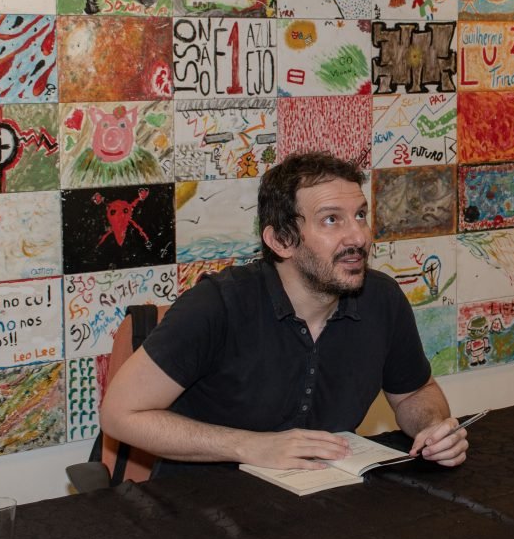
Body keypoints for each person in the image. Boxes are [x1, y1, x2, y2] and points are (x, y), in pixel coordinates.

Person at [101, 152, 468, 475]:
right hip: (206, 502)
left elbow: (415, 392)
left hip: (325, 497)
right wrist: (248, 446)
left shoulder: (382, 299)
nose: (358, 237)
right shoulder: (216, 305)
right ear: (281, 240)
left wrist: (432, 427)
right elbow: (119, 415)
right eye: (331, 220)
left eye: (359, 215)